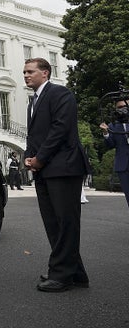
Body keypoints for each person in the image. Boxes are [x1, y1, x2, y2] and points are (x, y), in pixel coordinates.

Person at [23, 57, 90, 292]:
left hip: (64, 167)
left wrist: (39, 158)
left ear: (46, 73)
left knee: (66, 223)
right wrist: (28, 156)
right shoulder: (32, 102)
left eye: (31, 71)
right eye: (24, 72)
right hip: (44, 170)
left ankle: (61, 274)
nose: (26, 75)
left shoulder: (61, 94)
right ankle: (76, 272)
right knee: (54, 223)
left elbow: (60, 129)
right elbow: (34, 135)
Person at [99, 99, 129, 208]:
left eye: (124, 106)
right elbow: (110, 145)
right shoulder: (113, 126)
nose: (122, 109)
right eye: (119, 107)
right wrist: (106, 133)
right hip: (123, 166)